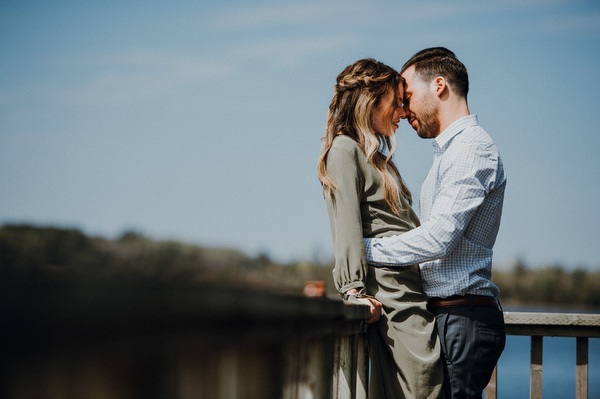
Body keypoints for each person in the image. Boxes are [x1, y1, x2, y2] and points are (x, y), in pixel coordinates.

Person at [364, 47, 507, 399]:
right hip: (454, 316)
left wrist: (364, 249)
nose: (402, 110)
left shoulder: (471, 149)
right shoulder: (453, 152)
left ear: (439, 85)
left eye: (407, 96)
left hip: (461, 317)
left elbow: (436, 240)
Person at [318, 58, 443, 399]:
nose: (404, 113)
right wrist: (353, 291)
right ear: (371, 101)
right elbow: (345, 226)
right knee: (424, 387)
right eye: (397, 103)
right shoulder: (344, 151)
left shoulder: (374, 157)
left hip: (410, 291)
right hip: (390, 297)